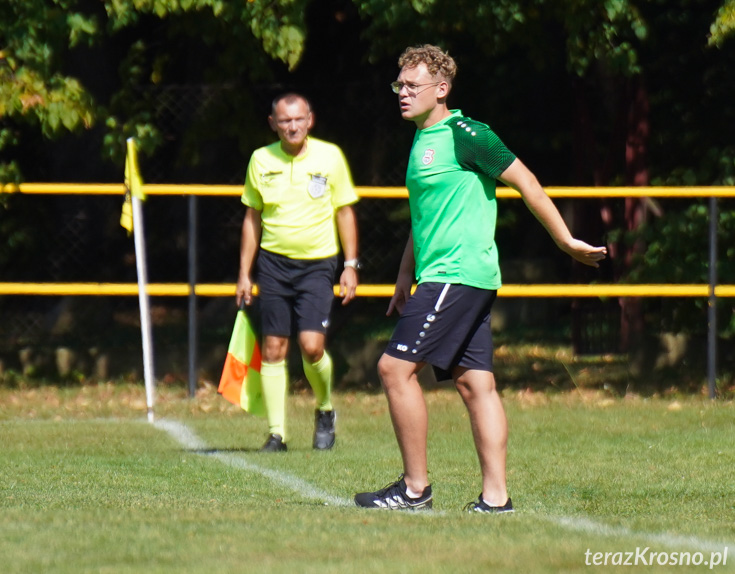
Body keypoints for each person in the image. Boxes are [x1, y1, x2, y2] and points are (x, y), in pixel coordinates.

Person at [354, 45, 607, 511]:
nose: (403, 93)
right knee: (476, 384)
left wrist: (566, 242)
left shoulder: (466, 134)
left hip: (458, 274)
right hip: (449, 276)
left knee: (394, 368)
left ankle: (414, 490)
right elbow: (423, 215)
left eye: (413, 86)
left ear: (441, 89)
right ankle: (496, 499)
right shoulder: (421, 138)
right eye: (399, 85)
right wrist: (404, 274)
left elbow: (526, 181)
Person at [236, 93, 360, 452]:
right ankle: (277, 434)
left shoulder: (330, 156)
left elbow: (344, 212)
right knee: (273, 348)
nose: (292, 126)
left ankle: (325, 409)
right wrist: (244, 273)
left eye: (298, 119)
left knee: (311, 346)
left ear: (310, 120)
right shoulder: (260, 159)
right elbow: (252, 217)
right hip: (273, 264)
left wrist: (350, 266)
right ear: (273, 123)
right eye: (284, 120)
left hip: (318, 264)